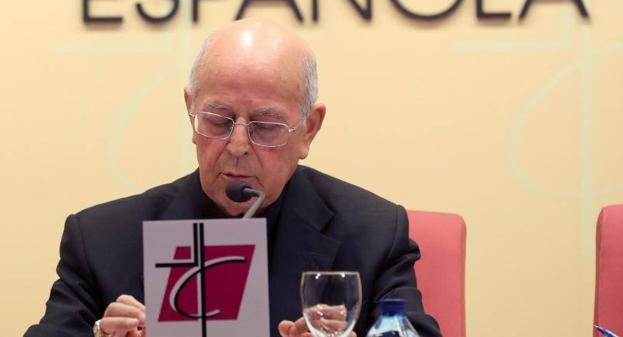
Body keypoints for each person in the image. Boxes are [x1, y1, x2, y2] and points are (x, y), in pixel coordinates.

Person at [25, 19, 442, 337]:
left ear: (309, 129)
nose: (237, 144)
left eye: (265, 126)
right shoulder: (101, 240)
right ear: (191, 111)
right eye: (219, 119)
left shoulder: (373, 233)